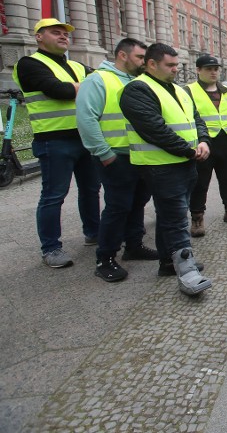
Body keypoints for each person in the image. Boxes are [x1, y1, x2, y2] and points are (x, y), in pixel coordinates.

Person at [119, 43, 213, 296]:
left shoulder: (179, 91)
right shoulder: (137, 89)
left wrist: (203, 141)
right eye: (170, 65)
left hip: (185, 163)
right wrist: (189, 150)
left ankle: (168, 262)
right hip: (160, 166)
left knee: (170, 215)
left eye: (176, 65)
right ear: (151, 64)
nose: (175, 69)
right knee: (175, 218)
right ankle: (188, 272)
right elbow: (154, 129)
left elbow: (197, 119)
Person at [12, 18, 100, 268]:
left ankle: (94, 233)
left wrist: (77, 87)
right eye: (55, 32)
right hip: (54, 140)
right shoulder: (29, 64)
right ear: (39, 37)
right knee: (53, 196)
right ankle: (51, 248)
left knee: (91, 190)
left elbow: (101, 85)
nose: (63, 36)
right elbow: (57, 90)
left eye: (65, 33)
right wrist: (86, 88)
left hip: (85, 138)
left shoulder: (76, 66)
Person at [77, 38, 159, 282]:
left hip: (140, 155)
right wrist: (104, 153)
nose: (144, 63)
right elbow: (86, 119)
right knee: (118, 206)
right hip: (115, 156)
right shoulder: (98, 80)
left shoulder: (137, 81)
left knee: (137, 202)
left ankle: (133, 245)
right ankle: (105, 258)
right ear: (122, 56)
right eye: (139, 58)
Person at [185, 54, 227, 237]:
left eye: (215, 69)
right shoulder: (189, 91)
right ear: (198, 70)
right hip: (204, 145)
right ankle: (197, 217)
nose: (213, 72)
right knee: (200, 183)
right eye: (208, 69)